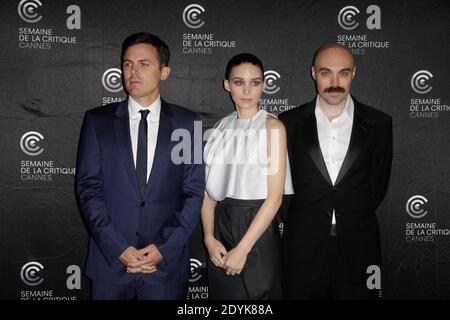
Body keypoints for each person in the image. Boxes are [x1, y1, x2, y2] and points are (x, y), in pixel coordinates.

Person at [75, 32, 205, 300]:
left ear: (164, 71)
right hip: (110, 264)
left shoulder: (187, 124)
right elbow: (88, 189)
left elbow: (193, 191)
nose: (133, 71)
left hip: (164, 268)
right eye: (127, 64)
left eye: (144, 64)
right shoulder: (97, 122)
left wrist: (164, 249)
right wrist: (117, 247)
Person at [278, 43, 393, 299]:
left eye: (342, 73)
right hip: (303, 246)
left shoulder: (379, 123)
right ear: (313, 73)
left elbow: (378, 183)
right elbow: (282, 188)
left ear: (354, 73)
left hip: (359, 245)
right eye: (325, 72)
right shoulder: (288, 123)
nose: (334, 82)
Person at [201, 53, 294, 299]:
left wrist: (243, 248)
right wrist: (209, 238)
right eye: (239, 82)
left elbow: (274, 198)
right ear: (227, 84)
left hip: (258, 230)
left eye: (255, 82)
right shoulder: (220, 128)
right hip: (221, 227)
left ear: (264, 84)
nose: (247, 90)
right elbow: (209, 194)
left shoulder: (273, 127)